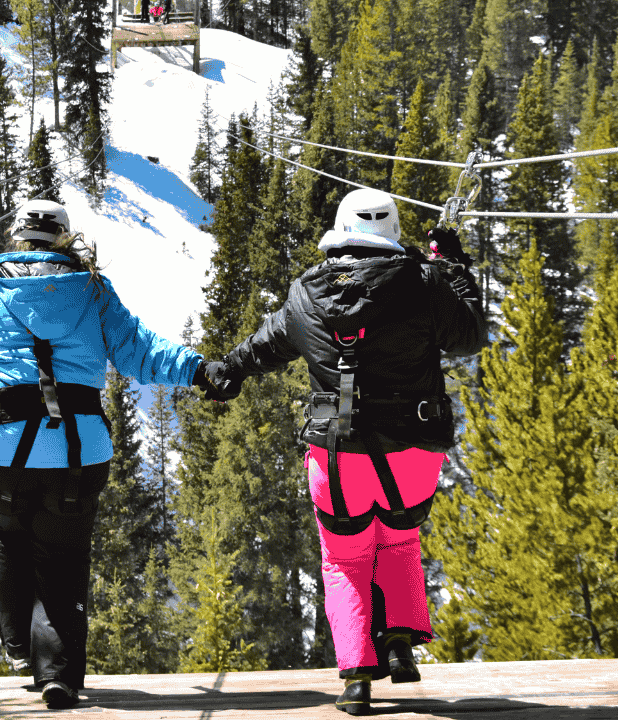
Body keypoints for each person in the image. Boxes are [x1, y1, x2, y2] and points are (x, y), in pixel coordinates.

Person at [199, 188, 488, 716]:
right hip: (414, 449)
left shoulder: (307, 292)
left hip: (337, 454)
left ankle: (357, 679)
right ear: (393, 231)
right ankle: (399, 645)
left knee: (345, 559)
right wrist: (455, 267)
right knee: (399, 540)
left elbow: (264, 346)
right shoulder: (426, 281)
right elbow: (470, 334)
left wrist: (226, 372)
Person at [0, 200, 227, 709]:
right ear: (66, 240)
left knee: (6, 533)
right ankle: (58, 676)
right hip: (75, 451)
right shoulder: (92, 291)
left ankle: (19, 646)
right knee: (62, 557)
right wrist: (200, 371)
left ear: (16, 235)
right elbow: (140, 351)